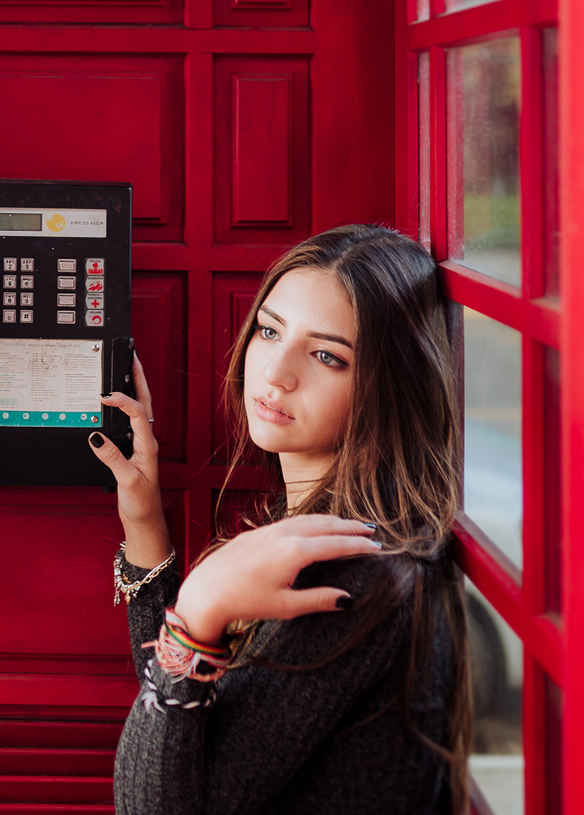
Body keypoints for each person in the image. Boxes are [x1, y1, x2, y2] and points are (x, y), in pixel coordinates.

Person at [88, 225, 469, 815]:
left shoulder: (351, 578)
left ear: (389, 386)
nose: (275, 373)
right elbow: (178, 724)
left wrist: (201, 605)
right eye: (269, 331)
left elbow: (154, 804)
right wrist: (144, 520)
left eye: (327, 356)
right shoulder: (328, 530)